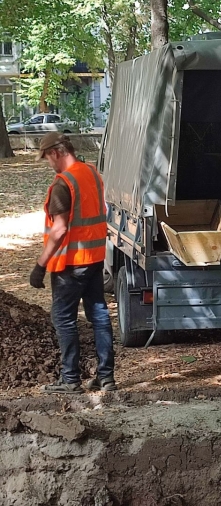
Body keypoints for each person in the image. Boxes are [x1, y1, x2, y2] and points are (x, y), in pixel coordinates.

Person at [30, 131, 116, 394]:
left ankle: (70, 380)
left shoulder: (62, 183)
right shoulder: (90, 172)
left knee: (63, 319)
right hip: (94, 258)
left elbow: (59, 230)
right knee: (99, 315)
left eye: (47, 158)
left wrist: (40, 265)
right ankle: (106, 377)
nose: (49, 164)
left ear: (56, 152)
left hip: (70, 264)